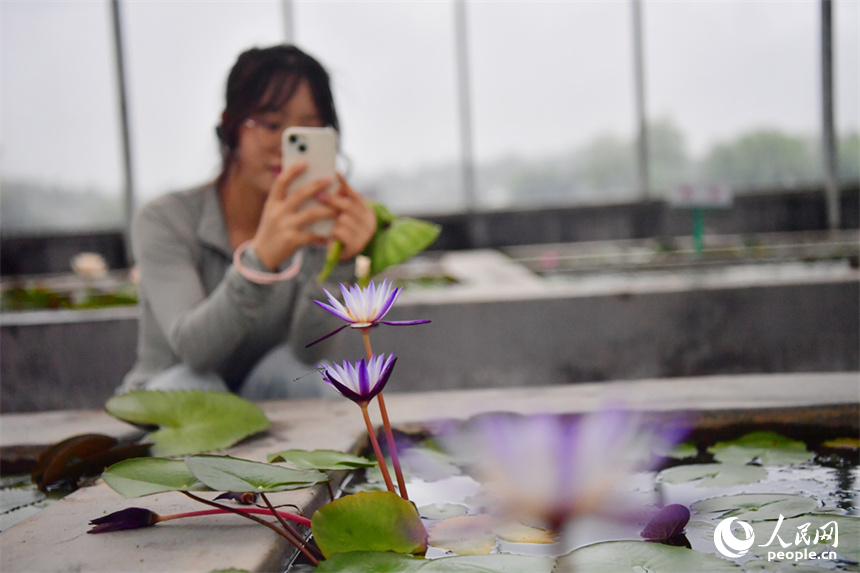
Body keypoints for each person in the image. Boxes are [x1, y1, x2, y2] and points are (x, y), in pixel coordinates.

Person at [119, 45, 376, 399]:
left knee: (306, 376)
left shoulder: (313, 225)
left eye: (309, 129)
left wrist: (340, 265)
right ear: (231, 126)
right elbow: (195, 351)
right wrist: (261, 261)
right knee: (198, 388)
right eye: (271, 124)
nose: (284, 147)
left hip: (264, 398)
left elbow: (308, 353)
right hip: (173, 405)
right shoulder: (165, 219)